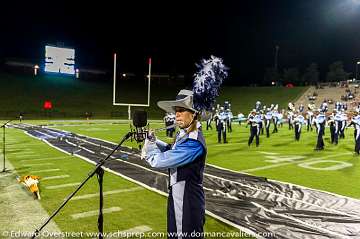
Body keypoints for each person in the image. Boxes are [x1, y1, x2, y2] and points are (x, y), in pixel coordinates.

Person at [141, 89, 206, 238]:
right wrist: (154, 140)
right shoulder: (185, 134)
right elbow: (172, 149)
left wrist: (149, 148)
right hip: (179, 192)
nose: (176, 114)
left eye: (181, 110)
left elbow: (158, 161)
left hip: (187, 195)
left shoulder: (193, 142)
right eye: (176, 110)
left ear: (194, 113)